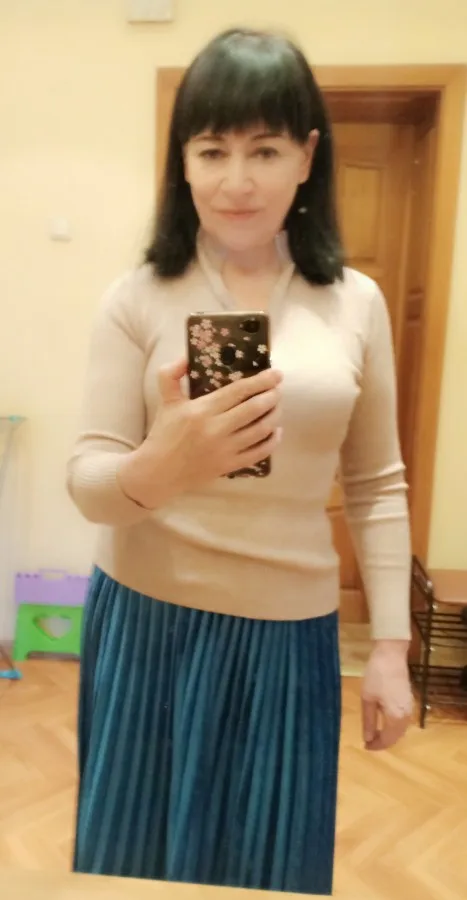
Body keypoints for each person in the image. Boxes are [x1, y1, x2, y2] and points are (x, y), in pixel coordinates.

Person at [68, 27, 413, 896]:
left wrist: (389, 647)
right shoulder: (136, 296)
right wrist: (159, 466)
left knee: (272, 870)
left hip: (290, 638)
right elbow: (89, 481)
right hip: (147, 625)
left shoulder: (356, 302)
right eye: (212, 150)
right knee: (131, 870)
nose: (236, 180)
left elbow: (376, 485)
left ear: (307, 156)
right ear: (182, 163)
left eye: (264, 149)